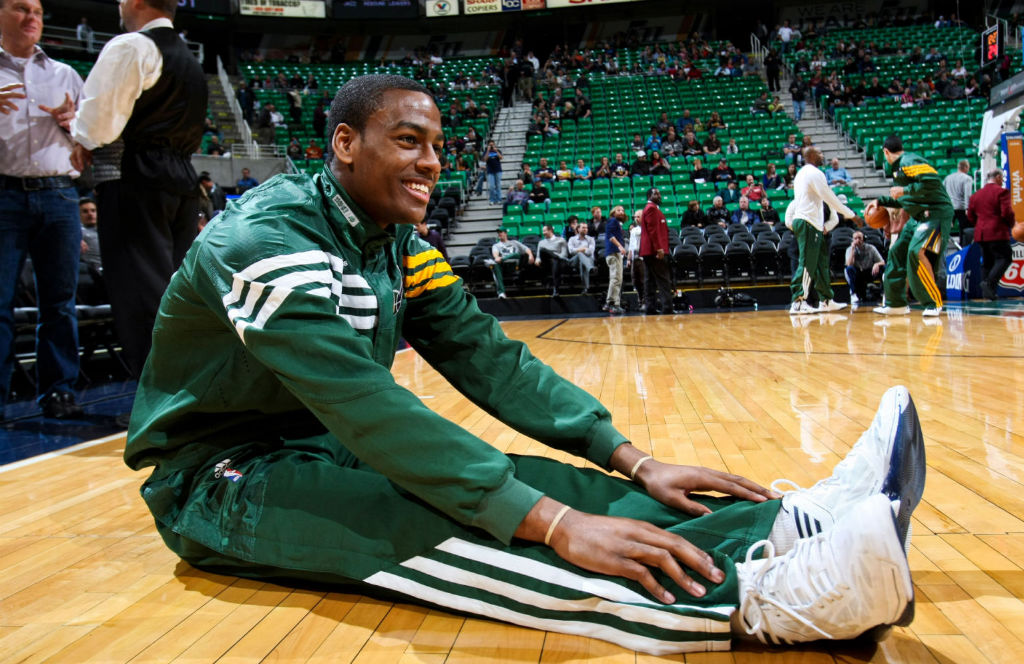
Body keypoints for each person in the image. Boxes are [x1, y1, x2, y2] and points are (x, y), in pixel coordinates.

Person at [122, 73, 924, 656]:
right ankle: (763, 602)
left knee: (540, 487)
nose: (433, 162)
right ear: (344, 143)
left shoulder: (395, 243)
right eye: (409, 141)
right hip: (220, 480)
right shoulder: (264, 241)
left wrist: (631, 460)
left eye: (438, 146)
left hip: (319, 444)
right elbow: (365, 403)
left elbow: (488, 358)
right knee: (448, 521)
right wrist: (552, 526)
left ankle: (785, 527)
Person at [70, 0, 208, 383]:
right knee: (177, 296)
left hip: (136, 176)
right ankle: (188, 392)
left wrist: (76, 130)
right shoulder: (192, 62)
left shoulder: (129, 46)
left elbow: (98, 128)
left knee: (142, 298)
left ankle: (157, 400)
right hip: (182, 178)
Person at [0, 0, 85, 419]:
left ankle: (59, 391)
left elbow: (93, 142)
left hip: (60, 195)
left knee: (59, 303)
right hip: (4, 195)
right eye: (20, 8)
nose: (32, 17)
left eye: (36, 10)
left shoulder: (65, 74)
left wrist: (75, 122)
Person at [871, 135, 952, 317]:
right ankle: (895, 303)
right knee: (896, 252)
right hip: (917, 217)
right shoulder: (897, 169)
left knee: (916, 252)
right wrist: (880, 201)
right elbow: (905, 199)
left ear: (886, 152)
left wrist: (904, 190)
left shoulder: (909, 161)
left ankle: (933, 303)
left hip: (935, 214)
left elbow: (931, 182)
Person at [786, 147, 857, 315]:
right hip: (808, 221)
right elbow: (829, 196)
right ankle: (798, 301)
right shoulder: (813, 173)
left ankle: (826, 300)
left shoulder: (803, 173)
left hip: (814, 224)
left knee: (820, 265)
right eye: (820, 153)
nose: (823, 155)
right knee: (807, 263)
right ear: (811, 156)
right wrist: (851, 214)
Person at [967, 170, 1015, 300]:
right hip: (997, 231)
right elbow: (1007, 212)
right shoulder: (1002, 192)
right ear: (998, 177)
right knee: (1005, 258)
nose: (1002, 180)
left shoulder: (975, 195)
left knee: (987, 262)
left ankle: (988, 293)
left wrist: (980, 224)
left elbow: (970, 216)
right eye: (1002, 178)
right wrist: (1011, 224)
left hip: (981, 233)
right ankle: (989, 283)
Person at [640, 187, 674, 314]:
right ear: (649, 196)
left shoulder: (651, 209)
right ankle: (667, 307)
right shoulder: (651, 209)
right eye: (656, 194)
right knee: (663, 279)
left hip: (649, 250)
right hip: (654, 251)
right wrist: (659, 248)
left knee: (650, 280)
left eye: (659, 194)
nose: (659, 196)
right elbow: (653, 231)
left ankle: (650, 307)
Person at [488, 226, 534, 299]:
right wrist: (497, 258)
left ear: (506, 233)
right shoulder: (496, 245)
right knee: (495, 265)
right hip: (504, 266)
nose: (499, 234)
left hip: (515, 265)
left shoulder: (514, 243)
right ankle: (501, 293)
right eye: (498, 233)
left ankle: (504, 258)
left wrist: (531, 255)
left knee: (517, 254)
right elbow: (496, 256)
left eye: (501, 232)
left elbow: (527, 249)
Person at [845, 231, 885, 306]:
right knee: (849, 269)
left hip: (869, 271)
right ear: (852, 240)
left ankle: (884, 292)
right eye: (855, 238)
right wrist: (853, 250)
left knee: (883, 268)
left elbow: (882, 262)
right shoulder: (849, 249)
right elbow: (849, 264)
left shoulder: (871, 248)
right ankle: (853, 294)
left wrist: (876, 264)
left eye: (859, 238)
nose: (857, 240)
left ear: (864, 239)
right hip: (858, 273)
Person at [603, 205, 627, 315]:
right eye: (618, 210)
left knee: (618, 279)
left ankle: (615, 303)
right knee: (616, 278)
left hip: (616, 253)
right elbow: (610, 236)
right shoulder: (612, 221)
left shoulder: (617, 223)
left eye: (622, 210)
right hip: (613, 252)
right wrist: (620, 246)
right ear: (613, 212)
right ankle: (610, 303)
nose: (621, 212)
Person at [535, 223, 569, 296]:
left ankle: (556, 289)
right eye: (543, 231)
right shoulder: (541, 242)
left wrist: (555, 257)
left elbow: (564, 254)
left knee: (555, 260)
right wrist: (537, 260)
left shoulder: (561, 240)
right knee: (543, 250)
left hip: (559, 262)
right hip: (546, 263)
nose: (543, 233)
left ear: (550, 230)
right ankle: (554, 288)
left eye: (544, 231)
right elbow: (538, 256)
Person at [943, 159, 973, 231]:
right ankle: (963, 242)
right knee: (965, 230)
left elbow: (942, 191)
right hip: (961, 207)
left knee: (946, 230)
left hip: (949, 206)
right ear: (965, 167)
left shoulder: (948, 178)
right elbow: (967, 194)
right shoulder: (967, 178)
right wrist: (967, 208)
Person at [567, 221, 596, 294]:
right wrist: (583, 249)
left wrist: (579, 250)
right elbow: (571, 251)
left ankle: (585, 289)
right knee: (580, 254)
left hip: (588, 260)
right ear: (578, 229)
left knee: (582, 263)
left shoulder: (591, 239)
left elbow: (590, 252)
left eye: (586, 228)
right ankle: (590, 268)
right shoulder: (572, 239)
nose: (585, 229)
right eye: (583, 228)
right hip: (575, 261)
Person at [484, 141, 503, 205]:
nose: (491, 146)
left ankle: (499, 199)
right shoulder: (486, 151)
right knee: (491, 186)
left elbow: (501, 157)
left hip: (498, 170)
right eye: (490, 145)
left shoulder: (498, 151)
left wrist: (496, 151)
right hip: (490, 170)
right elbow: (485, 159)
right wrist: (488, 151)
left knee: (498, 185)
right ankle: (492, 199)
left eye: (492, 145)